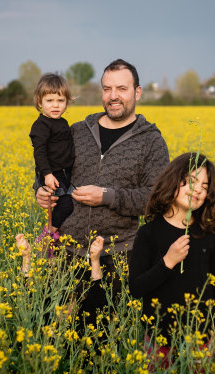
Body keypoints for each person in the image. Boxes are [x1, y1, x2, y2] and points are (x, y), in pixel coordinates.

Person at [35, 59, 169, 329]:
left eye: (122, 88)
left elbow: (156, 200)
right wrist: (40, 190)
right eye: (107, 89)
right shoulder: (77, 131)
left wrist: (107, 196)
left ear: (137, 92)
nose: (113, 96)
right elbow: (48, 167)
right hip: (66, 253)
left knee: (103, 338)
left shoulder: (151, 141)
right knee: (55, 334)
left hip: (117, 257)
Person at [128, 152, 215, 368]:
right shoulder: (149, 233)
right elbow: (136, 288)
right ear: (173, 181)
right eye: (191, 182)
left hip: (202, 339)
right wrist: (168, 262)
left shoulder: (210, 234)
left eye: (205, 186)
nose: (198, 190)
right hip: (160, 339)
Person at [29, 73, 75, 234]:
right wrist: (47, 175)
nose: (55, 105)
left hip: (64, 173)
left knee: (70, 203)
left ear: (67, 103)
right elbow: (39, 153)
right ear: (39, 102)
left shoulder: (63, 123)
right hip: (52, 175)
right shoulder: (41, 125)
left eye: (60, 100)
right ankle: (48, 234)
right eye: (50, 101)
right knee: (66, 204)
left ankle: (57, 236)